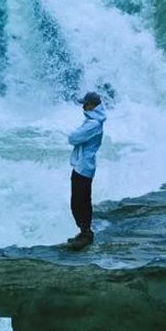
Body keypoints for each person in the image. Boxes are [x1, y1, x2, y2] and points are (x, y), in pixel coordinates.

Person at [66, 91, 106, 249]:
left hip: (83, 166)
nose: (83, 106)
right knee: (82, 201)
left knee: (78, 202)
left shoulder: (93, 124)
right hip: (84, 165)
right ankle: (84, 232)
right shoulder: (93, 121)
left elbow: (73, 138)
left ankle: (85, 233)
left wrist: (75, 134)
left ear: (93, 105)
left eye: (86, 104)